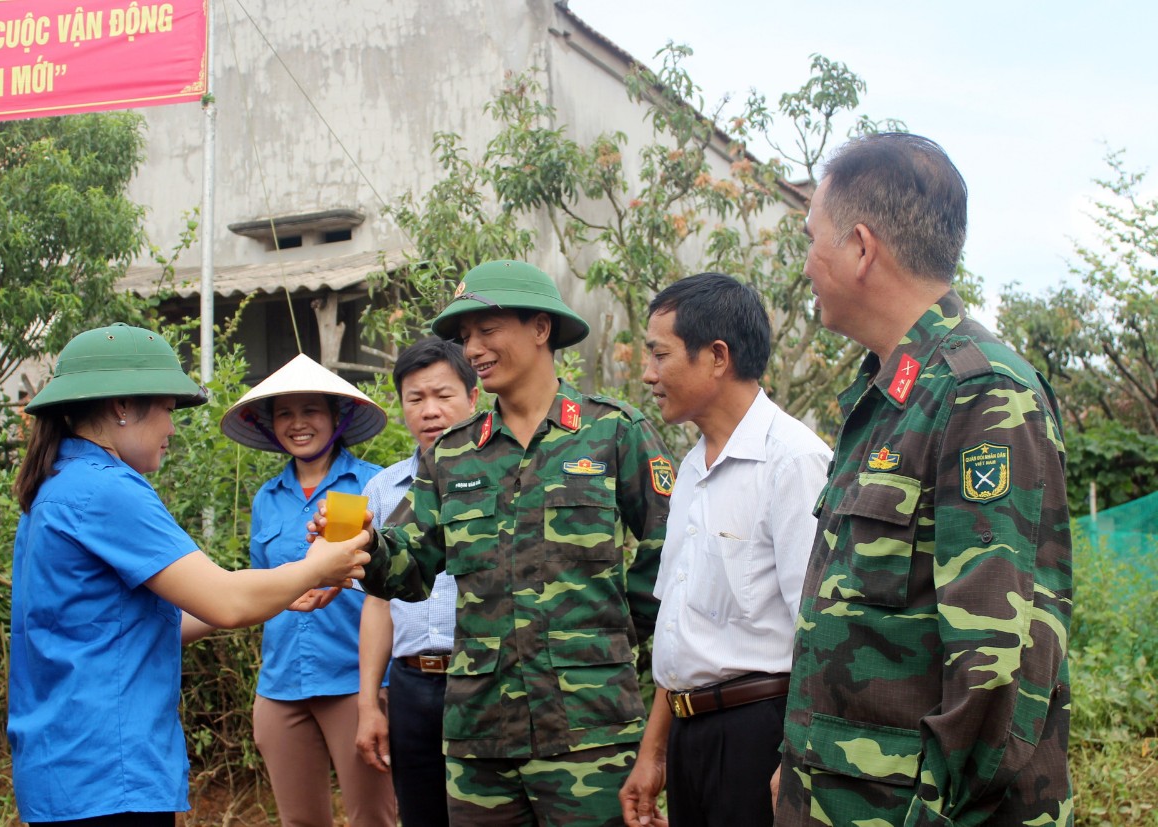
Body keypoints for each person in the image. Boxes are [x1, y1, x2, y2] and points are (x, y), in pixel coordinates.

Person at [773, 133, 1073, 825]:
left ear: (860, 247)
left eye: (811, 237)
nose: (807, 262)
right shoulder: (888, 397)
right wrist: (800, 777)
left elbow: (996, 671)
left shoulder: (980, 393)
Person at [346, 259, 675, 827]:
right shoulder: (449, 454)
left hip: (590, 731)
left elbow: (667, 561)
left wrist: (609, 645)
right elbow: (414, 567)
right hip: (481, 742)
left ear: (541, 328)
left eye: (487, 329)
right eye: (465, 335)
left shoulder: (614, 432)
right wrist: (365, 547)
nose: (472, 347)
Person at [8, 324, 370, 826]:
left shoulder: (57, 485)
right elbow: (225, 599)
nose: (172, 429)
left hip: (67, 764)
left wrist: (285, 591)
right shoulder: (108, 489)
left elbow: (149, 623)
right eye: (168, 410)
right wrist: (318, 565)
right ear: (123, 407)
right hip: (110, 768)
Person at [619, 273, 831, 827]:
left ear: (717, 356)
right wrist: (654, 752)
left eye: (660, 355)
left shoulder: (793, 462)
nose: (648, 375)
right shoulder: (691, 469)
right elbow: (679, 627)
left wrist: (798, 755)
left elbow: (822, 630)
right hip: (691, 735)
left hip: (759, 735)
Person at [219, 353, 396, 827]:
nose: (298, 424)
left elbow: (396, 585)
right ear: (271, 425)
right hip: (281, 687)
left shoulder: (373, 485)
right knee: (299, 821)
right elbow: (258, 588)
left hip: (355, 685)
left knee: (372, 819)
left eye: (310, 411)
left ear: (337, 419)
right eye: (284, 413)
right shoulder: (267, 498)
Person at [354, 339, 479, 827]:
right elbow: (377, 604)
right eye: (415, 398)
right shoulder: (382, 491)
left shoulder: (501, 478)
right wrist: (369, 704)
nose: (430, 411)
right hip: (411, 684)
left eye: (443, 395)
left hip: (485, 682)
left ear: (473, 397)